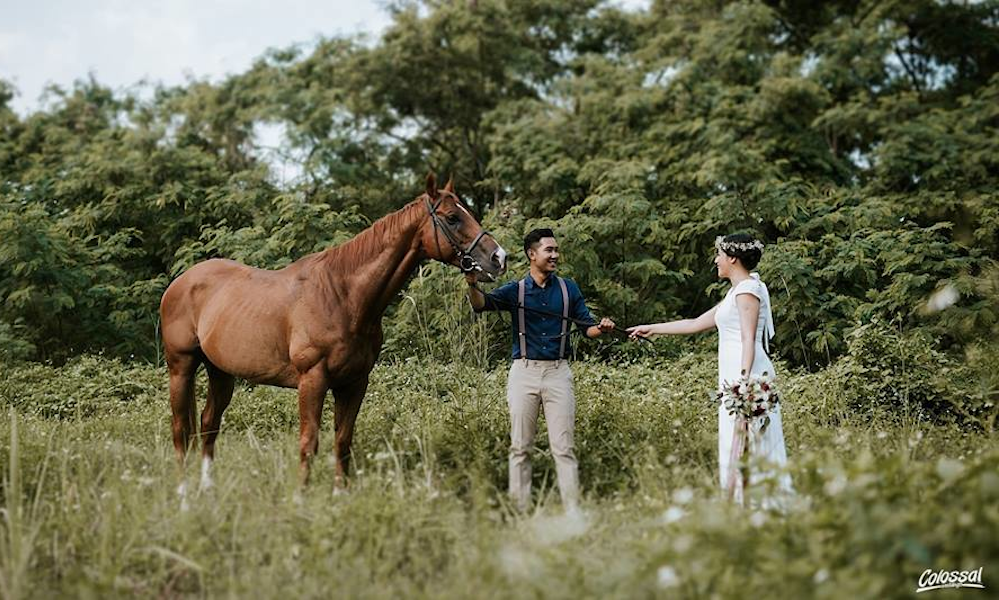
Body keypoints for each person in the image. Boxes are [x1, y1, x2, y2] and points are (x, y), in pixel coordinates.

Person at [628, 233, 793, 503]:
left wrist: (743, 385)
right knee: (737, 440)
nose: (716, 260)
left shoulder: (748, 290)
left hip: (747, 375)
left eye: (719, 255)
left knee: (752, 441)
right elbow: (694, 323)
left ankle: (759, 505)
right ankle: (741, 502)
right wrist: (652, 329)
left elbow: (748, 339)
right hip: (735, 375)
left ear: (732, 258)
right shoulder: (736, 292)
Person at [465, 228, 615, 513]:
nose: (555, 255)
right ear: (532, 255)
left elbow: (588, 329)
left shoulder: (569, 289)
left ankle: (573, 512)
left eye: (556, 250)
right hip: (524, 373)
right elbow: (481, 305)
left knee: (564, 448)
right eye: (549, 250)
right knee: (520, 447)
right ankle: (519, 511)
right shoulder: (516, 290)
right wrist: (472, 284)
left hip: (559, 373)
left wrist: (602, 328)